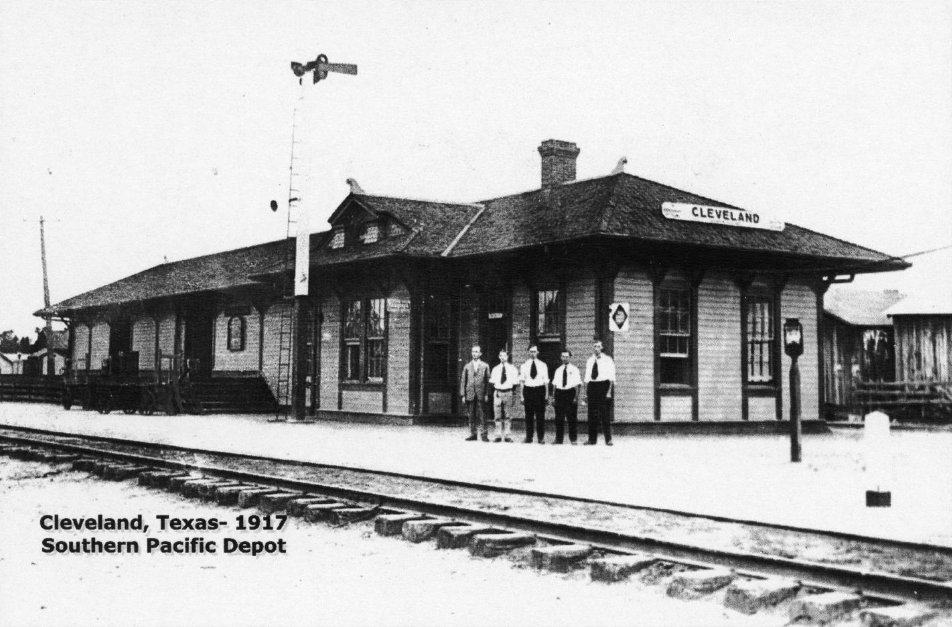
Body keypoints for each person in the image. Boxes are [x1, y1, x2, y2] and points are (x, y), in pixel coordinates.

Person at [582, 338, 615, 446]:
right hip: (592, 386)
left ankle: (608, 439)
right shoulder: (590, 360)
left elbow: (611, 378)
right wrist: (585, 393)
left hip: (603, 386)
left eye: (598, 346)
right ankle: (592, 439)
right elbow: (587, 378)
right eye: (594, 346)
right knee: (592, 414)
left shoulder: (608, 360)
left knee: (604, 414)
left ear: (602, 348)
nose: (596, 349)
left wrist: (609, 392)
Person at [459, 345, 490, 441]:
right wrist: (463, 395)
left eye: (476, 351)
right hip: (470, 393)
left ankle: (484, 435)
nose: (474, 353)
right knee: (471, 415)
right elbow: (463, 381)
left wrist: (486, 394)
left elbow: (487, 381)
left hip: (481, 393)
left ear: (480, 353)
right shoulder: (467, 366)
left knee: (482, 415)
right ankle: (473, 434)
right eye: (473, 351)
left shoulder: (485, 366)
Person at [551, 349, 582, 444]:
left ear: (570, 357)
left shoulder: (574, 369)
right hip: (559, 394)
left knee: (572, 418)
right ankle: (559, 439)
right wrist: (553, 397)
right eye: (563, 356)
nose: (565, 358)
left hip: (570, 393)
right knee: (559, 418)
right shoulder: (558, 370)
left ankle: (573, 439)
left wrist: (576, 397)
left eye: (567, 357)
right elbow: (554, 385)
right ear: (561, 357)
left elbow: (577, 385)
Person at [519, 344, 549, 443]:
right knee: (529, 416)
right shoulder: (524, 365)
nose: (533, 353)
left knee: (540, 415)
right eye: (531, 351)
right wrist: (521, 395)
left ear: (538, 352)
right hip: (528, 391)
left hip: (539, 391)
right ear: (528, 352)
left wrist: (546, 394)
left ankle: (541, 437)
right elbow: (522, 381)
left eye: (534, 351)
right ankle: (529, 437)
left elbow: (546, 381)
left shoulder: (543, 365)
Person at [488, 348, 519, 443]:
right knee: (497, 415)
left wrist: (512, 393)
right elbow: (492, 382)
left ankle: (507, 435)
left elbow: (515, 383)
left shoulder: (512, 369)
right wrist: (497, 390)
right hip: (498, 392)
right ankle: (497, 435)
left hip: (508, 392)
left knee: (508, 415)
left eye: (504, 355)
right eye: (501, 355)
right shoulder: (495, 369)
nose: (502, 357)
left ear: (507, 357)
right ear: (498, 357)